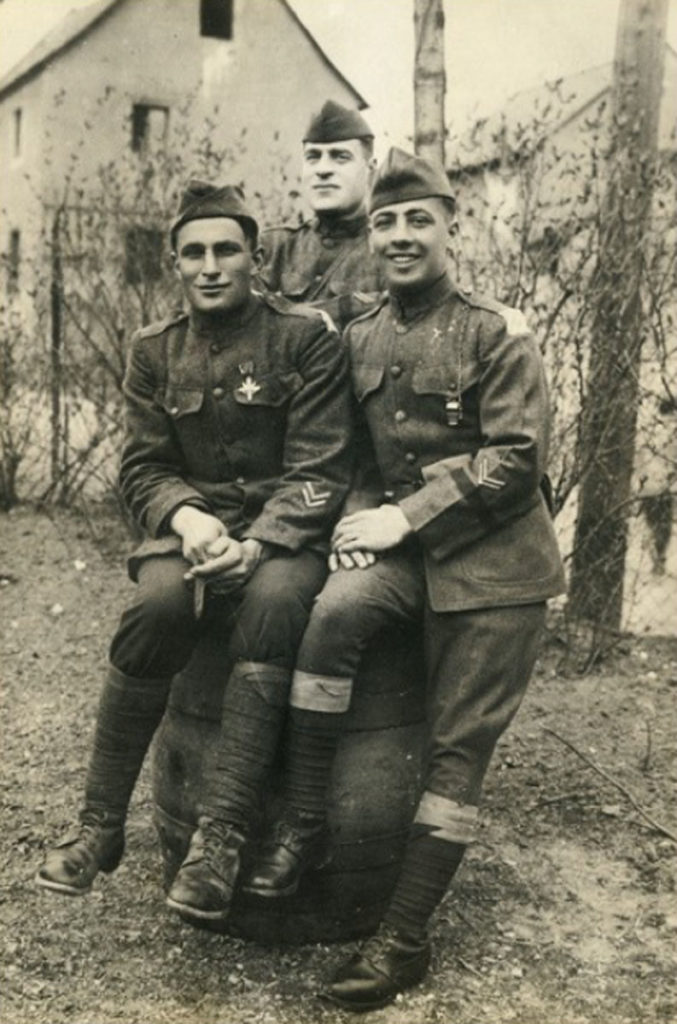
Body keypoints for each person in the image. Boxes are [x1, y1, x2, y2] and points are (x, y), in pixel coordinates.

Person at [244, 148, 566, 1012]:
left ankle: (403, 939)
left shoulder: (497, 331)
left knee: (457, 749)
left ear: (451, 227)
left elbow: (515, 462)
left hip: (495, 570)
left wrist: (401, 517)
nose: (397, 235)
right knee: (329, 618)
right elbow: (345, 455)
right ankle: (307, 821)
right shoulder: (359, 335)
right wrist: (356, 521)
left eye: (416, 219)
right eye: (384, 221)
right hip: (399, 556)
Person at [35, 181, 352, 918]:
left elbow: (320, 469)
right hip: (191, 534)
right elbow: (141, 466)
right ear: (174, 264)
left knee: (273, 607)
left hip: (284, 537)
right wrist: (188, 520)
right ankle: (99, 826)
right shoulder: (154, 350)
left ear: (257, 257)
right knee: (156, 605)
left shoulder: (302, 337)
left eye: (225, 250)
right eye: (193, 253)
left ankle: (220, 840)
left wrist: (257, 542)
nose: (210, 266)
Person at [259, 99, 385, 331]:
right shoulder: (273, 248)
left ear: (371, 169)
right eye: (313, 157)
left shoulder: (388, 249)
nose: (323, 169)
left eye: (340, 157)